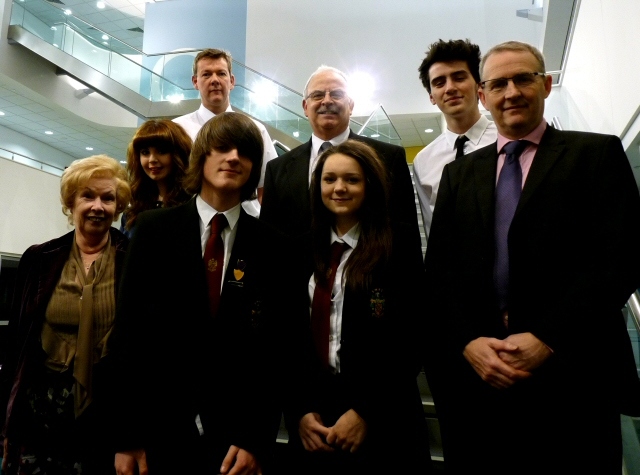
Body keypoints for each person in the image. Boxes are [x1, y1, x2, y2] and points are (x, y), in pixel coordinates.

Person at [424, 40, 640, 474]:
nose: (512, 92)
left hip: (574, 375)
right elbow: (441, 273)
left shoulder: (595, 154)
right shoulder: (457, 173)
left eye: (523, 79)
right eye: (499, 83)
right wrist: (468, 342)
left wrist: (547, 338)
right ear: (484, 96)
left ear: (544, 84)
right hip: (484, 378)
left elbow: (621, 258)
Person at [108, 112, 292, 475]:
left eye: (245, 152)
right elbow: (128, 336)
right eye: (222, 148)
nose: (234, 157)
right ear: (201, 157)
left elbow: (277, 352)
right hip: (159, 431)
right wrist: (127, 436)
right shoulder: (153, 230)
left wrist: (255, 438)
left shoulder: (274, 246)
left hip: (236, 443)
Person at [283, 140, 431, 475]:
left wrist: (366, 412)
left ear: (370, 185)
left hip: (383, 416)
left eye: (352, 179)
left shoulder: (399, 244)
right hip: (316, 419)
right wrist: (301, 412)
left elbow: (411, 337)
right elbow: (289, 340)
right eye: (329, 179)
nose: (339, 188)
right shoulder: (300, 249)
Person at [1, 155, 130, 475]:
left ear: (119, 206)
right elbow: (17, 341)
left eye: (108, 198)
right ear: (70, 202)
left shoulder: (135, 260)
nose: (98, 206)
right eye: (88, 195)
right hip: (38, 416)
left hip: (106, 419)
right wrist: (7, 423)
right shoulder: (39, 258)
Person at [260, 65, 419, 240]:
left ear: (350, 105)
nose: (327, 101)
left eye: (336, 94)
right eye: (318, 95)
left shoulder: (388, 158)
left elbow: (407, 233)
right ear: (305, 107)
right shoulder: (277, 169)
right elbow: (269, 238)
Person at [173, 48, 278, 216]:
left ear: (232, 81)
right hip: (186, 227)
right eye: (206, 74)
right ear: (195, 81)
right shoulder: (177, 130)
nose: (215, 80)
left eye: (221, 74)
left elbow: (267, 189)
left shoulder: (256, 130)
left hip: (246, 227)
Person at [414, 38, 497, 240]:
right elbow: (431, 227)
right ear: (432, 96)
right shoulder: (423, 161)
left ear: (479, 85)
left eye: (459, 77)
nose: (450, 88)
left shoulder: (507, 140)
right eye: (439, 82)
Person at [120, 119, 192, 237]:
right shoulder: (133, 209)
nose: (152, 159)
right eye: (145, 152)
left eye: (161, 151)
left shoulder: (194, 205)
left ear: (178, 154)